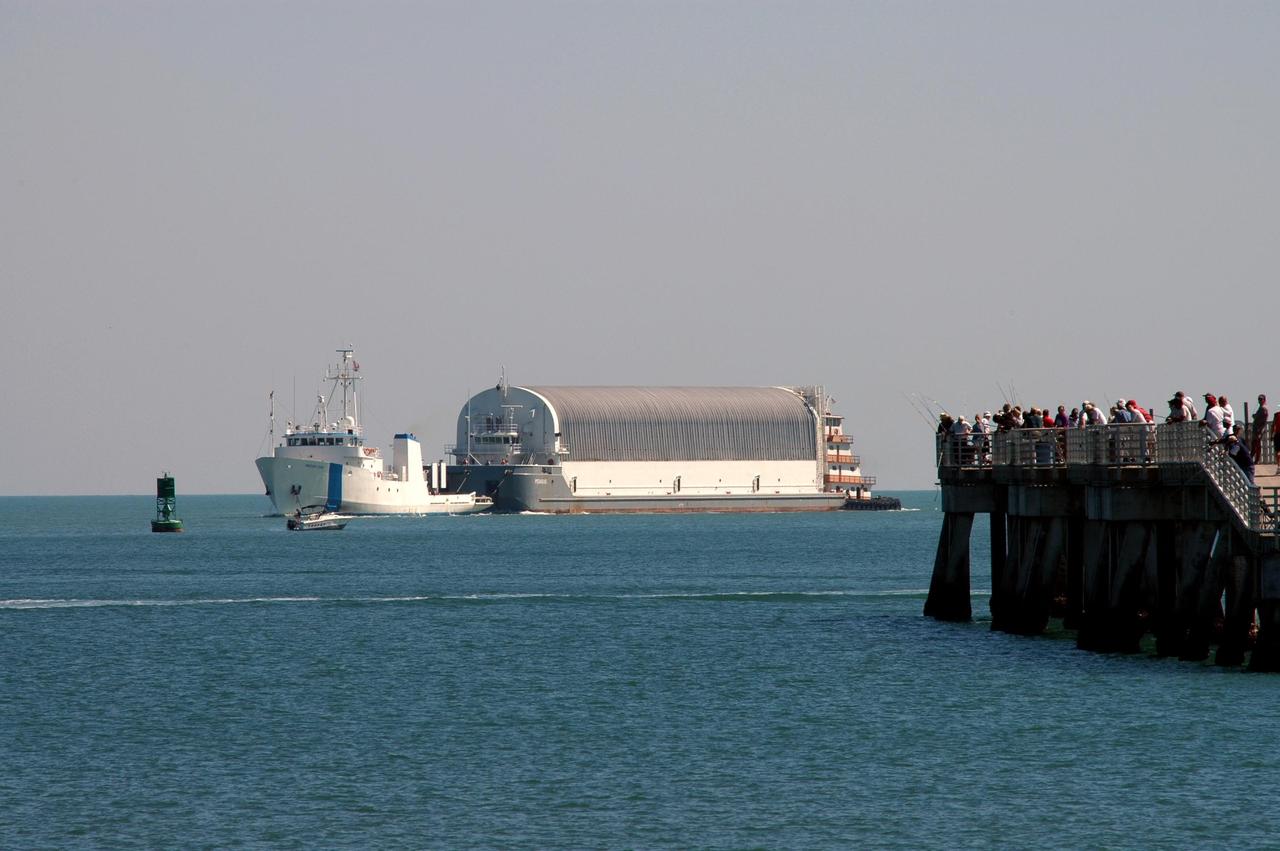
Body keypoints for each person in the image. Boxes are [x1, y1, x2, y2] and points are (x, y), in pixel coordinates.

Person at [1252, 394, 1269, 461]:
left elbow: (1264, 419)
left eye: (1261, 399)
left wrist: (1260, 429)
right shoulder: (1261, 407)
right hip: (1257, 428)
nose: (1260, 400)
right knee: (1255, 444)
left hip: (1259, 429)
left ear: (1264, 400)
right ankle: (1255, 459)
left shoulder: (1263, 408)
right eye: (1259, 399)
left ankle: (1255, 459)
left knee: (1256, 444)